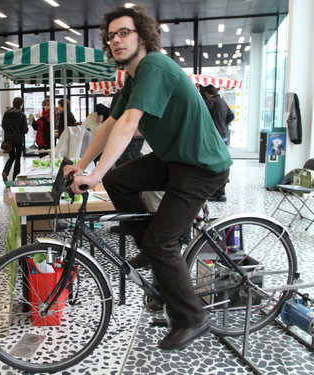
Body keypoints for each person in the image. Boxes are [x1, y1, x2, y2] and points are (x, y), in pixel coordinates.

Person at [64, 4, 232, 351]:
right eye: (111, 36)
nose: (116, 41)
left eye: (124, 32)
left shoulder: (154, 65)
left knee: (161, 241)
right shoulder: (134, 75)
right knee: (119, 181)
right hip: (174, 159)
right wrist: (81, 165)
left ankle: (191, 317)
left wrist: (94, 175)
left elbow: (129, 124)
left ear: (143, 34)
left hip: (202, 165)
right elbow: (109, 123)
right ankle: (150, 250)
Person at [201, 84, 235, 202]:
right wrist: (223, 124)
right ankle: (220, 192)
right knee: (220, 164)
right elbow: (231, 115)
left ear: (206, 92)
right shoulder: (222, 101)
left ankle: (219, 193)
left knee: (214, 166)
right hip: (223, 137)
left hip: (214, 138)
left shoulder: (211, 102)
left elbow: (199, 110)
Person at [1, 97, 28, 181]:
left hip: (9, 139)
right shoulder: (22, 115)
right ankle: (15, 177)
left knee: (11, 157)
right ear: (21, 105)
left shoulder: (6, 113)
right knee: (18, 158)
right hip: (19, 140)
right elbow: (25, 130)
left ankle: (5, 171)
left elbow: (3, 126)